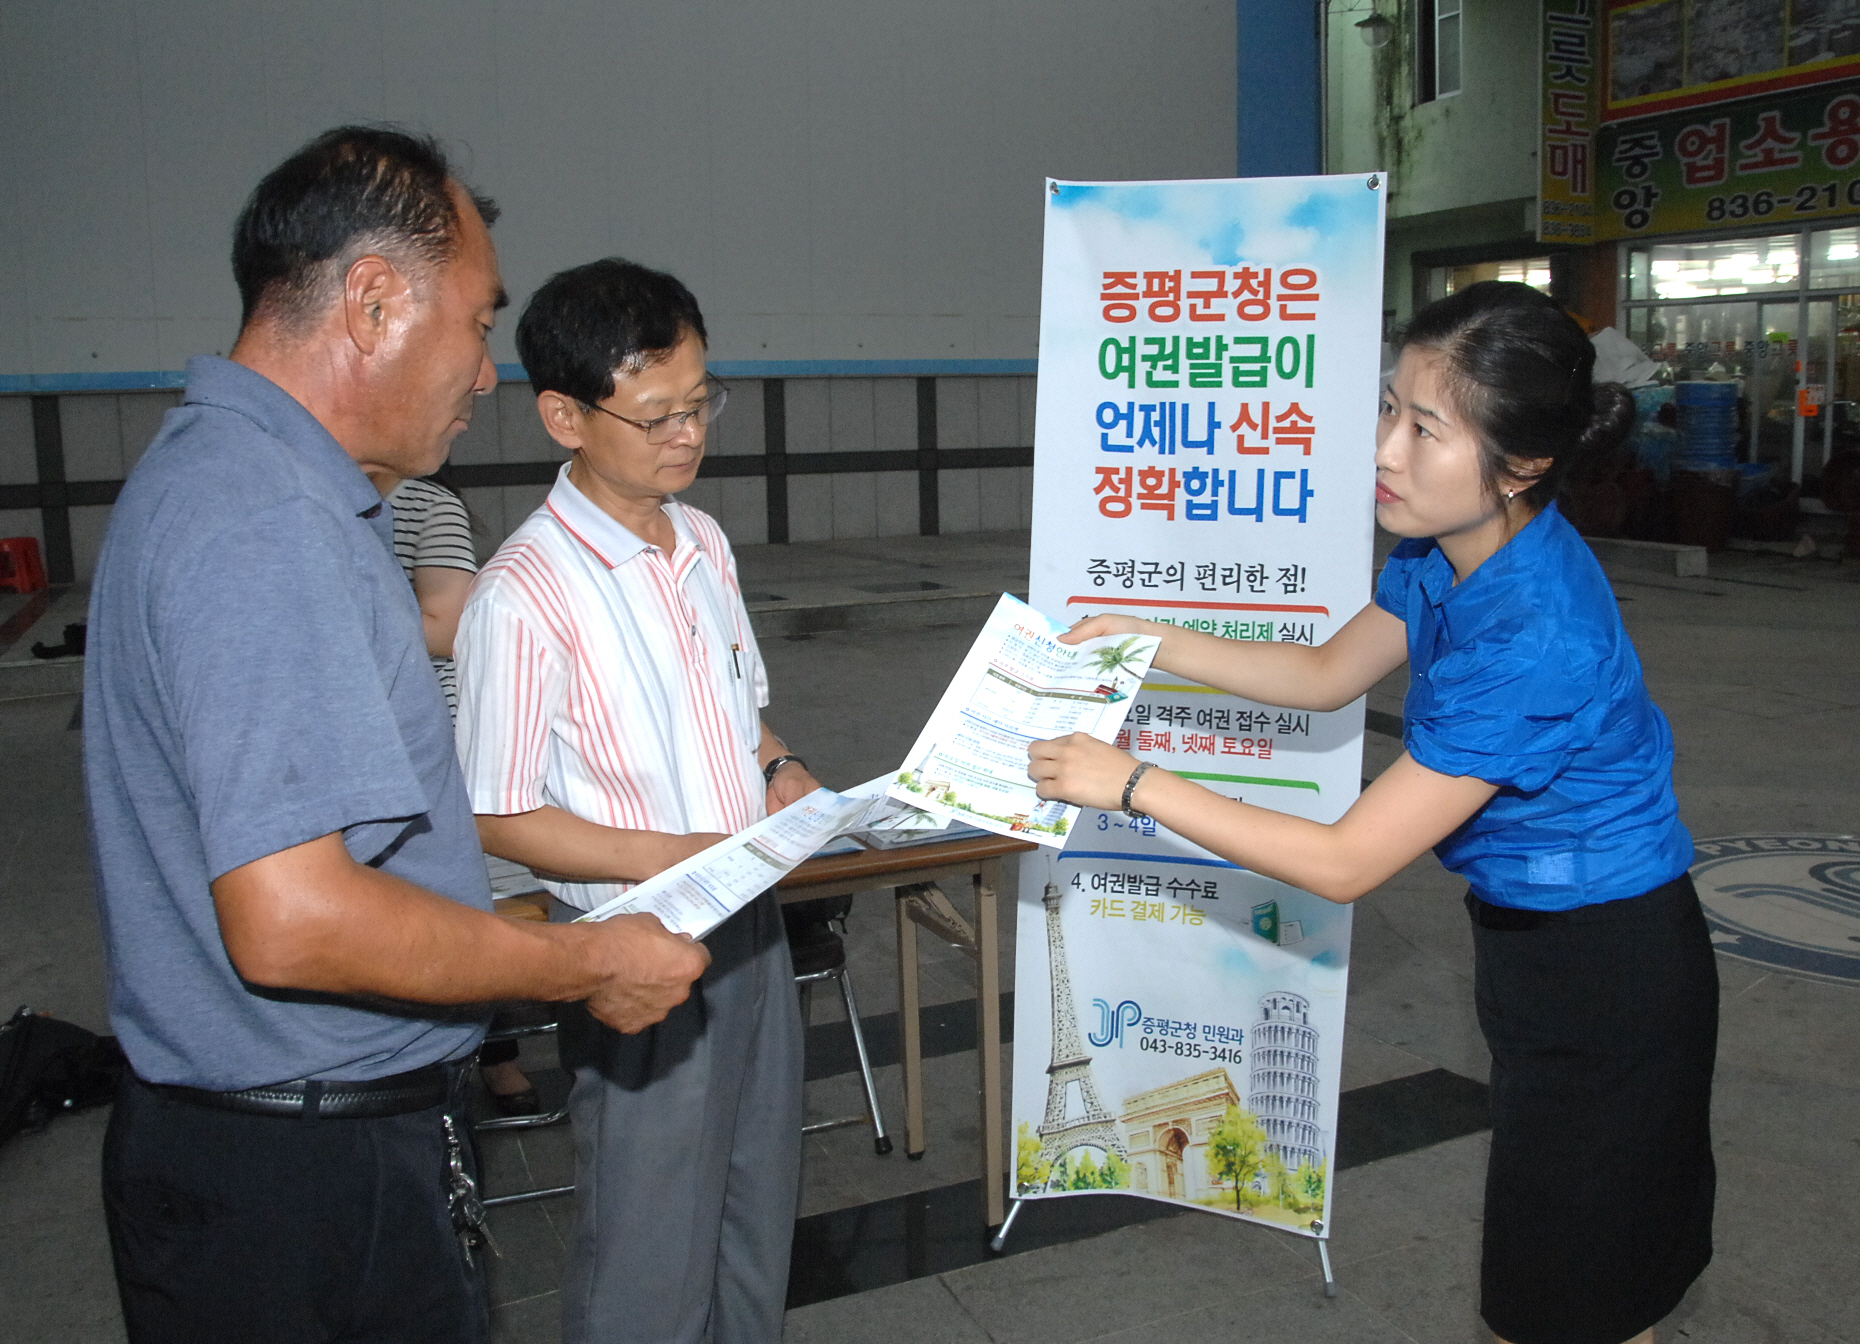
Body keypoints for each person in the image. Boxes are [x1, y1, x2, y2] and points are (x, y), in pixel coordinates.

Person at [84, 127, 708, 1344]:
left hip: (278, 1139)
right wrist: (585, 964)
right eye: (478, 325)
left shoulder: (245, 479)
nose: (484, 375)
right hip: (296, 1175)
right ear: (374, 304)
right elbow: (296, 918)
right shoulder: (267, 523)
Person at [1031, 281, 1715, 1344]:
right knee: (1575, 1279)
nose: (1385, 451)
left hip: (1611, 968)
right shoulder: (1448, 553)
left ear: (1524, 463)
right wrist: (1144, 635)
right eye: (1389, 409)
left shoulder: (1538, 636)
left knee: (1577, 1291)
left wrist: (1127, 783)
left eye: (1425, 428)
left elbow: (1348, 860)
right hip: (1536, 948)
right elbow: (1321, 673)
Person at [453, 257, 817, 1344]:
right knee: (649, 1241)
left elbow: (740, 705)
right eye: (656, 413)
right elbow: (498, 812)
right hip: (627, 944)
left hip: (749, 919)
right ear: (564, 414)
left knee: (758, 1209)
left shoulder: (700, 542)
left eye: (701, 403)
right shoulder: (523, 595)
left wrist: (780, 770)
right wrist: (681, 852)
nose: (687, 435)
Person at [367, 467, 541, 1114]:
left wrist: (332, 617)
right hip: (367, 749)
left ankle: (496, 1057)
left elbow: (446, 625)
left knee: (465, 899)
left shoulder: (423, 503)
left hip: (437, 748)